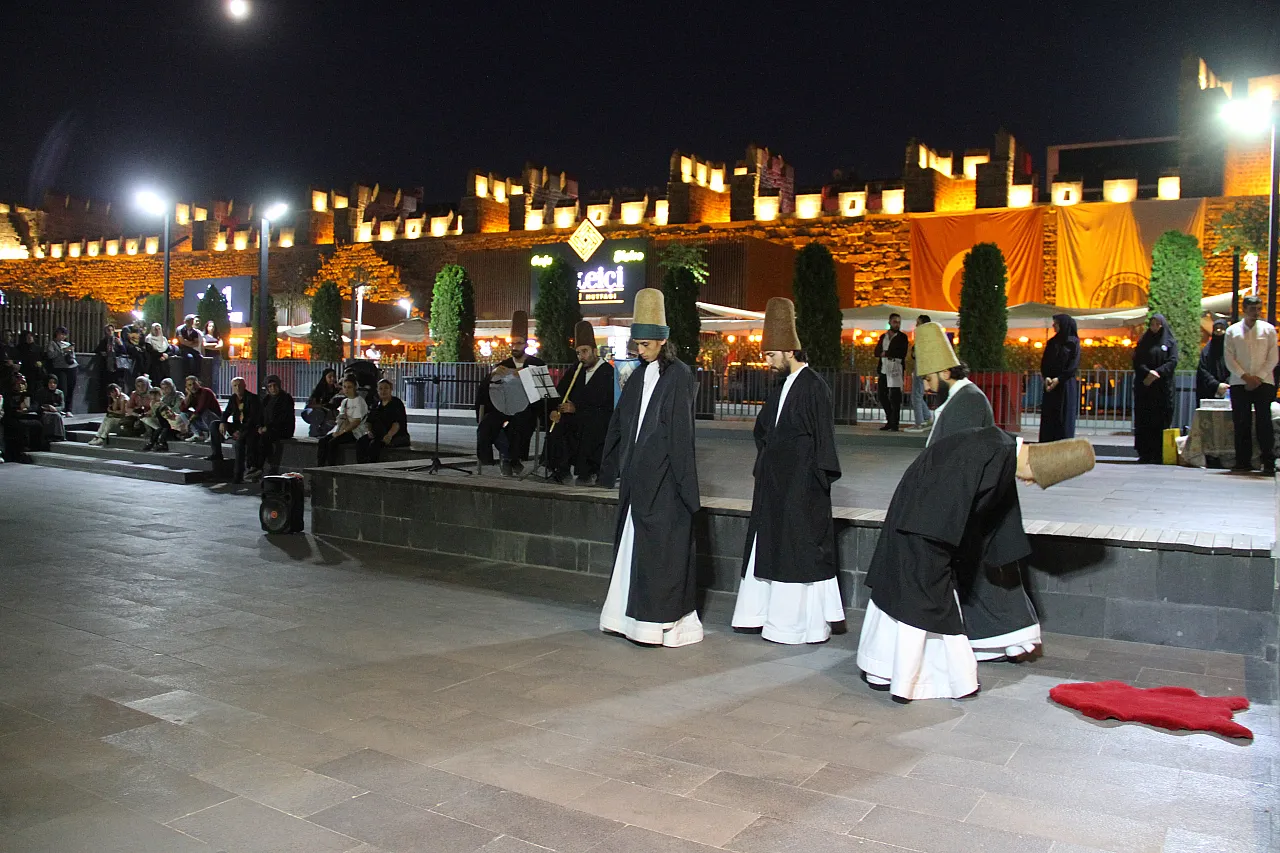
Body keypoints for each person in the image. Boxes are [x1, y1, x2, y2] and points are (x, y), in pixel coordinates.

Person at [858, 429, 1095, 701]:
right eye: (1034, 478)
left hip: (918, 516)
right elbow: (944, 502)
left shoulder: (1001, 446)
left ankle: (883, 668)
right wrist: (938, 553)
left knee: (906, 592)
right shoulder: (991, 453)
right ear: (1033, 463)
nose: (1028, 483)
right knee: (923, 597)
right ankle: (912, 680)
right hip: (924, 526)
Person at [731, 298, 844, 644]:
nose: (766, 362)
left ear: (789, 350)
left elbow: (824, 444)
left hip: (800, 491)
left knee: (797, 553)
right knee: (772, 549)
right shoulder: (781, 386)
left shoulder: (814, 387)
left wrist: (811, 488)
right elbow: (765, 430)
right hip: (774, 488)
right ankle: (764, 617)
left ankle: (796, 625)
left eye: (769, 355)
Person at [598, 288, 702, 647]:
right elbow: (622, 422)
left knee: (661, 553)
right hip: (637, 479)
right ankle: (626, 618)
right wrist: (611, 467)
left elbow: (681, 433)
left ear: (662, 342)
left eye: (645, 345)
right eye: (636, 345)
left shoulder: (681, 375)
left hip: (666, 481)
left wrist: (688, 490)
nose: (639, 352)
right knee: (634, 548)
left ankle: (657, 622)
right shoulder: (639, 375)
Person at [476, 310, 545, 476]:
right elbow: (486, 389)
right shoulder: (503, 364)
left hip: (526, 409)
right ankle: (505, 458)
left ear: (526, 344)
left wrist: (523, 375)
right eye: (512, 344)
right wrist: (492, 375)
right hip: (502, 407)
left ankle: (510, 459)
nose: (515, 347)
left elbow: (541, 391)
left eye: (519, 343)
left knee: (517, 425)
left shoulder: (535, 363)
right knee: (487, 425)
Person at [547, 320, 615, 485]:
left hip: (598, 418)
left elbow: (605, 403)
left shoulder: (607, 372)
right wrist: (556, 409)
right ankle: (560, 470)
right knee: (558, 426)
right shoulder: (575, 369)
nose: (581, 357)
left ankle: (589, 471)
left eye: (584, 352)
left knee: (592, 427)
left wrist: (577, 408)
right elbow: (560, 393)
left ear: (594, 350)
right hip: (576, 416)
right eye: (578, 353)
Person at [914, 323, 993, 446]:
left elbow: (961, 450)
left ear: (945, 373)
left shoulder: (970, 399)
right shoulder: (961, 395)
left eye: (928, 379)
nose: (926, 387)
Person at [1224, 295, 1278, 475]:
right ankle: (1242, 461)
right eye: (1253, 309)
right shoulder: (1232, 331)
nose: (1256, 312)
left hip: (1264, 382)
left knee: (1264, 422)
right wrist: (1245, 377)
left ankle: (1268, 461)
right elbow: (1229, 358)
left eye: (1259, 309)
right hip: (1240, 382)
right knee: (1241, 422)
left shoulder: (1269, 330)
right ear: (1244, 310)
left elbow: (1273, 357)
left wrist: (1259, 377)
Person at [1132, 314, 1179, 464]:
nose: (1155, 327)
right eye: (1152, 324)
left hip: (1162, 389)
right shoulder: (1144, 342)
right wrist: (1148, 372)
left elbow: (1172, 361)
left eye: (1158, 324)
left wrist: (1158, 373)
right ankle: (1145, 453)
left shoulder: (1170, 342)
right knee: (1145, 419)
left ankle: (1160, 453)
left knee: (1161, 419)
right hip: (1145, 388)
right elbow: (1137, 360)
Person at [1039, 314, 1081, 442]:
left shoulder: (1073, 343)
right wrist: (1046, 377)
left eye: (1056, 323)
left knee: (1064, 416)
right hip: (1051, 385)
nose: (1053, 326)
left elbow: (1073, 365)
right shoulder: (1052, 342)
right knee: (1049, 417)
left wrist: (1060, 379)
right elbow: (1045, 362)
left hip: (1065, 385)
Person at [316, 376, 368, 466]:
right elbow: (342, 417)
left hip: (355, 431)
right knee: (323, 441)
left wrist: (342, 432)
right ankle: (320, 466)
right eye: (344, 387)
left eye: (349, 387)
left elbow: (356, 422)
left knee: (333, 443)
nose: (346, 390)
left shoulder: (359, 401)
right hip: (343, 428)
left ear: (355, 387)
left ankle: (331, 466)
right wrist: (338, 429)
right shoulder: (345, 401)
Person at [217, 376, 260, 481]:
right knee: (214, 424)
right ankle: (216, 453)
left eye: (240, 385)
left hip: (248, 428)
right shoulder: (233, 398)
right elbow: (226, 412)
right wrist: (223, 422)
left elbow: (253, 419)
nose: (237, 388)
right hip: (237, 426)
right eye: (235, 386)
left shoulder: (252, 398)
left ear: (245, 386)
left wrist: (239, 431)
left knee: (240, 443)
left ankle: (238, 474)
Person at [253, 374, 296, 478]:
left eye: (275, 386)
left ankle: (262, 467)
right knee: (253, 436)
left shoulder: (286, 398)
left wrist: (267, 427)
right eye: (270, 386)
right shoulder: (267, 399)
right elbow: (260, 415)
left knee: (266, 437)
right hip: (269, 428)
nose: (273, 389)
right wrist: (259, 426)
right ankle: (254, 466)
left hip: (283, 428)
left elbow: (283, 417)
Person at [359, 378, 409, 463]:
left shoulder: (396, 403)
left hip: (395, 435)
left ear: (391, 389)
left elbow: (397, 423)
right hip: (378, 433)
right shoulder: (376, 404)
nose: (383, 391)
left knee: (374, 444)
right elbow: (369, 421)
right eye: (380, 389)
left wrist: (389, 435)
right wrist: (369, 431)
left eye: (386, 388)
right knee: (361, 442)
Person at [874, 313, 908, 431]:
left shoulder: (902, 337)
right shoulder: (883, 336)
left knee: (895, 396)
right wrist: (884, 353)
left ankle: (895, 423)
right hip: (884, 368)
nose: (897, 324)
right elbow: (876, 351)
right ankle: (890, 419)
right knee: (882, 395)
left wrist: (886, 353)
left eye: (898, 322)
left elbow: (901, 352)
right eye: (895, 322)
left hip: (895, 367)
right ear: (889, 322)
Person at [907, 314, 933, 431]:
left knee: (916, 395)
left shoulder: (924, 338)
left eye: (918, 323)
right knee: (917, 395)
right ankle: (927, 418)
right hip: (921, 367)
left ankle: (919, 422)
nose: (916, 325)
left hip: (921, 367)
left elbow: (920, 353)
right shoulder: (926, 337)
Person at [141, 378, 182, 452]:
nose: (165, 390)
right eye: (163, 388)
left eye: (167, 387)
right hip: (165, 421)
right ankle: (152, 442)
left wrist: (166, 410)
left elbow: (178, 409)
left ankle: (161, 443)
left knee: (165, 426)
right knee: (160, 426)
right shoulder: (162, 398)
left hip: (176, 420)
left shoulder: (178, 395)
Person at [44, 327, 78, 413]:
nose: (62, 336)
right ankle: (61, 408)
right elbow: (50, 355)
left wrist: (71, 351)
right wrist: (63, 351)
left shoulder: (67, 343)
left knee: (71, 388)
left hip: (72, 367)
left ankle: (69, 409)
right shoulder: (52, 343)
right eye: (61, 334)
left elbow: (73, 356)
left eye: (64, 334)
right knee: (63, 388)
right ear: (56, 334)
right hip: (60, 368)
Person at [180, 375, 222, 443]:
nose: (192, 386)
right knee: (183, 414)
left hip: (215, 421)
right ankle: (197, 434)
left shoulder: (206, 391)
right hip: (203, 422)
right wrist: (189, 395)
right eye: (190, 385)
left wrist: (190, 419)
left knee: (204, 412)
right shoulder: (192, 395)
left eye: (194, 383)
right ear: (187, 387)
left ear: (198, 383)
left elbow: (201, 408)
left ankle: (213, 435)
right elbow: (182, 409)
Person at [1197, 319, 1230, 403]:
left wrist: (1226, 384)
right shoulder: (1207, 351)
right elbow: (1203, 370)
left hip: (1229, 390)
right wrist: (1216, 385)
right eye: (1216, 328)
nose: (1219, 330)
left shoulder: (1232, 350)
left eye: (1222, 328)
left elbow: (1236, 367)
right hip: (1209, 391)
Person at [94, 323, 128, 406]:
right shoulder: (104, 341)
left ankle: (119, 404)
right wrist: (102, 353)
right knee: (107, 386)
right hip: (107, 367)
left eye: (112, 330)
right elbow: (97, 350)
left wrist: (120, 345)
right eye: (108, 330)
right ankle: (107, 405)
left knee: (117, 386)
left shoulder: (117, 340)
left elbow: (124, 351)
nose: (110, 332)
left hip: (117, 367)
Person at [303, 369, 341, 437]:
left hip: (326, 411)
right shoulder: (319, 388)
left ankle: (322, 433)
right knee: (319, 413)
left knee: (335, 414)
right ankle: (313, 434)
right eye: (330, 377)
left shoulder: (336, 389)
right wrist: (322, 406)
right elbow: (310, 405)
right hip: (311, 412)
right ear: (325, 377)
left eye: (334, 376)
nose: (332, 379)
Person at [32, 374, 68, 442]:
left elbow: (62, 406)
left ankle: (59, 436)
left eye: (54, 383)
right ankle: (52, 436)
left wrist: (55, 409)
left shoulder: (60, 393)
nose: (52, 385)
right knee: (52, 416)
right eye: (50, 382)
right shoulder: (41, 392)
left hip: (55, 411)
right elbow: (38, 404)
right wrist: (48, 407)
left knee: (57, 415)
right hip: (44, 411)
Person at [202, 320, 223, 393]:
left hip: (216, 358)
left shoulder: (217, 336)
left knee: (215, 377)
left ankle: (215, 393)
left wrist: (210, 346)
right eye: (210, 326)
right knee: (207, 376)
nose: (211, 328)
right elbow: (204, 345)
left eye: (213, 326)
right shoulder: (204, 336)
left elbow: (220, 346)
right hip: (207, 358)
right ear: (207, 327)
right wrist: (214, 345)